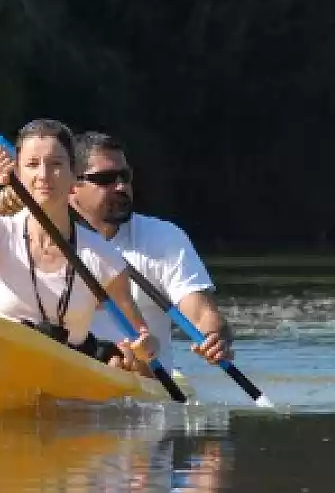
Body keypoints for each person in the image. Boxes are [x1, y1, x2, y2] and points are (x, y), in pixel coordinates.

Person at [0, 118, 157, 372]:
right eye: (32, 164)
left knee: (118, 362)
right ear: (18, 174)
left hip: (68, 372)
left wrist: (144, 348)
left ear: (74, 177)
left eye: (56, 164)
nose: (43, 175)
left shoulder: (103, 257)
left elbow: (144, 340)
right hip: (3, 365)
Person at [72, 131, 234, 372]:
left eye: (125, 176)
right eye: (106, 179)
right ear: (71, 186)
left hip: (146, 378)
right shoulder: (39, 237)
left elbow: (201, 313)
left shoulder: (163, 237)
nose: (121, 186)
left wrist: (213, 337)